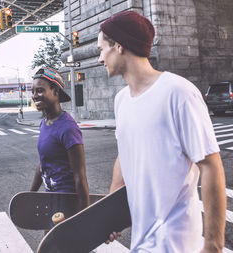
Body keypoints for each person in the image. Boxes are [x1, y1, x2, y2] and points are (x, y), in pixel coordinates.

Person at [97, 11, 226, 252]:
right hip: (141, 240)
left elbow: (211, 165)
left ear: (119, 46)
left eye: (101, 49)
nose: (99, 58)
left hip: (175, 242)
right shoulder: (121, 100)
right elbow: (124, 153)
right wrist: (110, 213)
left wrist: (213, 245)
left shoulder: (179, 93)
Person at [30, 67, 90, 212]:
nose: (34, 96)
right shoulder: (44, 123)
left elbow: (80, 177)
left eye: (39, 90)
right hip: (50, 199)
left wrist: (84, 216)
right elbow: (43, 163)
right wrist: (30, 196)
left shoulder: (68, 128)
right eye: (32, 91)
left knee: (56, 235)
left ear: (55, 92)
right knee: (48, 235)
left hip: (67, 202)